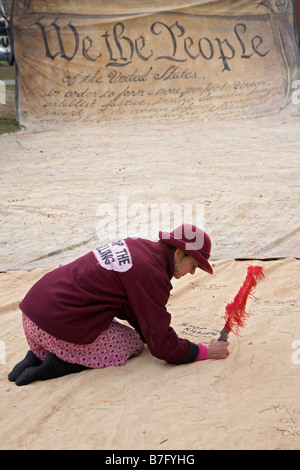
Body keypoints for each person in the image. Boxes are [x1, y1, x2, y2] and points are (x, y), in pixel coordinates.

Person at [8, 224, 229, 386]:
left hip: (32, 317)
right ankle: (58, 364)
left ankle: (37, 355)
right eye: (193, 265)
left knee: (132, 332)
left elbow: (134, 309)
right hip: (58, 327)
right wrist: (204, 351)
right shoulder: (151, 275)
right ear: (180, 254)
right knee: (132, 343)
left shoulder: (137, 246)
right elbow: (161, 347)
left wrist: (150, 331)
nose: (192, 273)